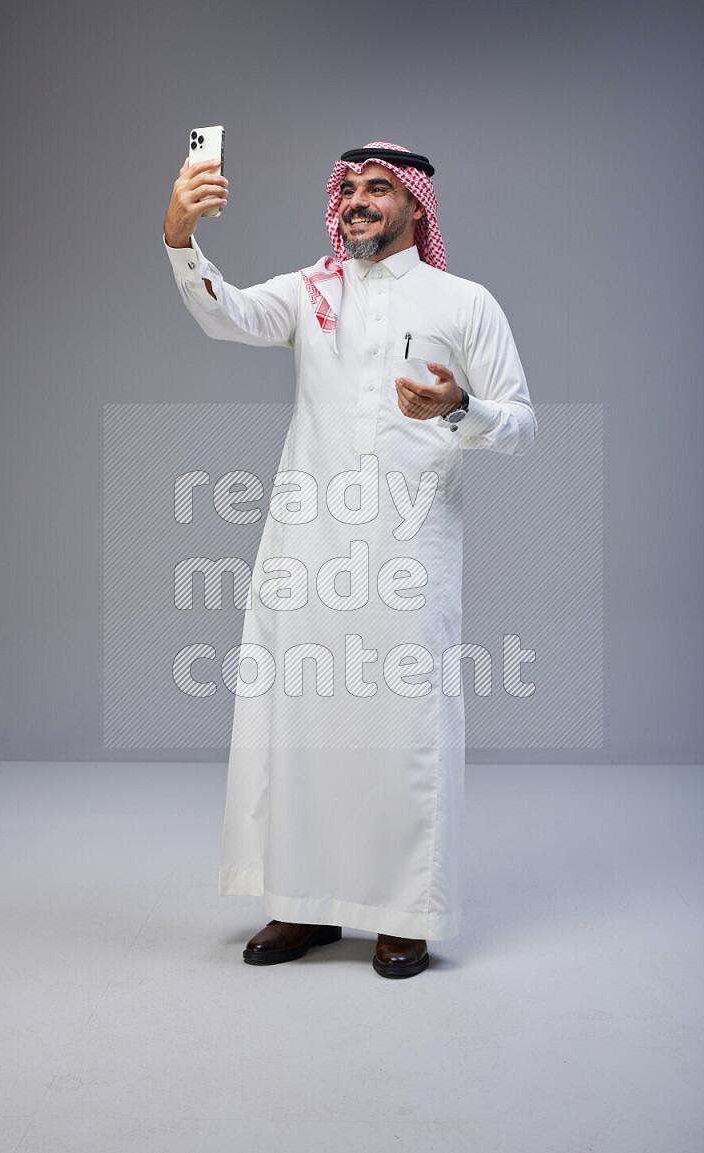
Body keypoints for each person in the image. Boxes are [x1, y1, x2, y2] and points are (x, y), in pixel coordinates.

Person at [163, 141, 536, 979]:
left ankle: (403, 914)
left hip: (409, 554)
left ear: (417, 206)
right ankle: (301, 906)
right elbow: (228, 314)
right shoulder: (311, 290)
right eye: (351, 189)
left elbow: (521, 424)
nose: (359, 201)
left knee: (401, 731)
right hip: (307, 547)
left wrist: (458, 408)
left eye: (378, 189)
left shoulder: (464, 301)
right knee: (300, 727)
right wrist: (182, 241)